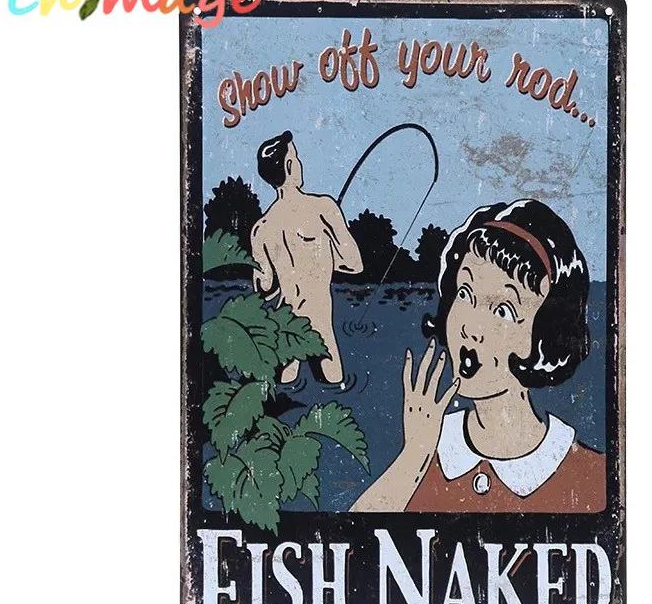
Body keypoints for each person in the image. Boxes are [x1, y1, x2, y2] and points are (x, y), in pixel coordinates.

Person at [351, 199, 605, 513]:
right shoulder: (425, 445)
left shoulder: (590, 477)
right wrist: (414, 455)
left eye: (503, 310)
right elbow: (353, 536)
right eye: (465, 293)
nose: (471, 327)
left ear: (546, 334)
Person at [251, 131, 363, 384]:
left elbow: (264, 290)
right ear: (290, 166)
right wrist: (323, 257)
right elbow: (354, 263)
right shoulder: (324, 208)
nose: (300, 163)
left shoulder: (260, 229)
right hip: (318, 321)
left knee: (283, 385)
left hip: (284, 323)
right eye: (296, 157)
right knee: (334, 383)